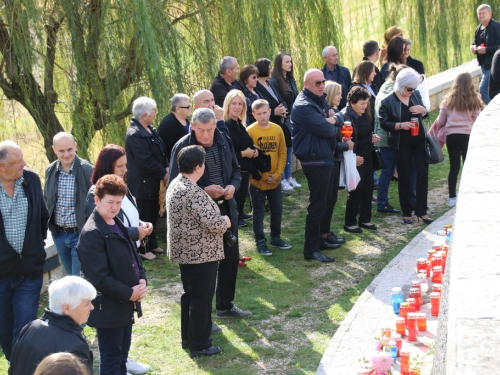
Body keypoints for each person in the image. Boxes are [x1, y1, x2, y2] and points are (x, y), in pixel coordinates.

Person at [169, 108, 251, 324]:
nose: (206, 135)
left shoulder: (224, 140)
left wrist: (233, 186)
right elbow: (175, 185)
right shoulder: (182, 147)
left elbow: (236, 169)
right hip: (197, 215)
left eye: (210, 130)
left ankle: (225, 306)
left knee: (230, 259)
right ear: (192, 126)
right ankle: (201, 319)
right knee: (203, 270)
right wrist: (205, 192)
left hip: (226, 207)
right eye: (201, 130)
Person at [83, 145, 152, 373]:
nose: (114, 207)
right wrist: (129, 292)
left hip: (124, 304)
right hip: (109, 307)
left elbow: (133, 254)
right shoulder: (93, 232)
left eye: (118, 203)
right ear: (96, 199)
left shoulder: (115, 221)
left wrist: (141, 279)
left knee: (121, 356)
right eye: (110, 202)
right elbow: (99, 278)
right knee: (112, 360)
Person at [167, 145, 230, 358]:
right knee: (201, 299)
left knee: (191, 296)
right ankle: (200, 344)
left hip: (186, 253)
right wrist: (226, 221)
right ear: (198, 167)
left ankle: (189, 337)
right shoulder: (191, 191)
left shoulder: (177, 183)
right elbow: (213, 223)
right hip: (200, 254)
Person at [0, 141, 49, 361]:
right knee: (3, 326)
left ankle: (18, 365)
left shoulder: (31, 180)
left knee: (25, 326)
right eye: (18, 161)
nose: (24, 164)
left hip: (29, 271)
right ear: (2, 167)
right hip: (1, 274)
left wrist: (35, 247)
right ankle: (13, 360)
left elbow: (42, 216)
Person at [291, 69, 344, 263]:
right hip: (315, 159)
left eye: (323, 82)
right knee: (317, 204)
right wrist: (331, 121)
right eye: (317, 83)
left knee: (328, 201)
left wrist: (333, 119)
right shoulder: (304, 105)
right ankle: (310, 250)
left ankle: (321, 239)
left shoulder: (318, 99)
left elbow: (338, 116)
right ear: (306, 84)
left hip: (325, 156)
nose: (322, 85)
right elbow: (327, 129)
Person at [9, 276, 96, 375]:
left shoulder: (30, 327)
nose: (92, 307)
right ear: (67, 308)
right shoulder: (74, 346)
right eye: (86, 303)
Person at [379, 68, 433, 225]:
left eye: (414, 88)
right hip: (401, 143)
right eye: (409, 88)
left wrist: (423, 110)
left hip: (419, 141)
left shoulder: (415, 95)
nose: (412, 91)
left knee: (422, 174)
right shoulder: (388, 101)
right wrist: (401, 125)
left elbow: (425, 113)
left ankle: (422, 211)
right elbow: (384, 123)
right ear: (401, 85)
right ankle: (407, 211)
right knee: (405, 176)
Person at [247, 99, 292, 256]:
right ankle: (260, 241)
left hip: (276, 180)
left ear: (270, 112)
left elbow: (282, 152)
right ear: (253, 115)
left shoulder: (277, 129)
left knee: (277, 209)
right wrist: (263, 176)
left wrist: (278, 174)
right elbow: (250, 159)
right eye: (258, 114)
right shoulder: (251, 131)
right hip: (258, 181)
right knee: (258, 211)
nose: (262, 116)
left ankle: (275, 237)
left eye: (265, 112)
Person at [44, 132, 93, 276]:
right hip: (58, 234)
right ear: (54, 150)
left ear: (75, 147)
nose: (66, 154)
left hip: (79, 234)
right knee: (70, 276)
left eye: (69, 149)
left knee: (78, 278)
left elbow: (95, 203)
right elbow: (47, 199)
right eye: (61, 151)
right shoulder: (50, 170)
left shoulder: (87, 169)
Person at [125, 96, 168, 258]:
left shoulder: (150, 129)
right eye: (153, 112)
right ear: (144, 115)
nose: (155, 115)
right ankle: (143, 249)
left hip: (153, 180)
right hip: (142, 182)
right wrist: (163, 173)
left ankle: (152, 243)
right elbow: (145, 160)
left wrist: (166, 166)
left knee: (152, 214)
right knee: (143, 215)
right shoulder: (135, 134)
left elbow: (160, 152)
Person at [435, 73, 484, 207]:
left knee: (454, 167)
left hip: (452, 136)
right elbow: (477, 119)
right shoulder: (473, 100)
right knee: (468, 166)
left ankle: (452, 197)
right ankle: (469, 193)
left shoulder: (448, 101)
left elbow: (440, 121)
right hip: (467, 135)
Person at [342, 87, 380, 233]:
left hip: (367, 154)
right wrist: (353, 157)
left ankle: (365, 219)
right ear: (352, 102)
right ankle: (350, 222)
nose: (365, 106)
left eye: (366, 103)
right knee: (356, 189)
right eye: (362, 103)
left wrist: (372, 137)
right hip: (356, 156)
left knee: (368, 188)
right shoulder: (347, 116)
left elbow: (364, 132)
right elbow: (347, 139)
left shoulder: (363, 114)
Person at [374, 64, 407, 214]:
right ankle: (382, 203)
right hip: (386, 136)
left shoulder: (386, 86)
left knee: (387, 171)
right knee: (387, 171)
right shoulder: (389, 91)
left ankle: (382, 202)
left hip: (385, 135)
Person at [323, 81, 351, 245]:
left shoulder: (336, 113)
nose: (341, 96)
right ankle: (323, 233)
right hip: (329, 158)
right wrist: (345, 144)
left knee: (332, 198)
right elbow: (330, 140)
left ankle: (326, 231)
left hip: (335, 159)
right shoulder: (327, 114)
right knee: (327, 199)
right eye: (339, 93)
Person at [223, 89, 256, 227]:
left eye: (240, 104)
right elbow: (225, 153)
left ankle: (240, 213)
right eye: (234, 103)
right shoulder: (225, 126)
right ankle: (236, 217)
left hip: (245, 169)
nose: (237, 107)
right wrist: (244, 153)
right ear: (228, 105)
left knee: (242, 195)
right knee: (236, 196)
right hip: (234, 170)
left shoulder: (240, 124)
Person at [270, 52, 300, 191]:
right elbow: (278, 99)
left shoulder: (290, 79)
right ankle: (282, 178)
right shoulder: (275, 81)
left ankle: (289, 177)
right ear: (279, 64)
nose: (290, 64)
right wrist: (286, 111)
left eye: (290, 61)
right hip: (282, 118)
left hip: (291, 118)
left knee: (289, 148)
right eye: (287, 62)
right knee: (283, 148)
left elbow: (296, 97)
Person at [471, 4, 500, 104]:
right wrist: (473, 47)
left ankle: (486, 111)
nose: (481, 15)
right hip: (484, 64)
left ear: (490, 13)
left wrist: (486, 50)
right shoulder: (479, 28)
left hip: (494, 64)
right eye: (479, 13)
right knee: (489, 89)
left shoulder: (496, 26)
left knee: (483, 89)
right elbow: (475, 41)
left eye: (484, 13)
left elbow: (499, 45)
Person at [254, 57, 288, 127]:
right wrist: (273, 112)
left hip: (281, 124)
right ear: (263, 69)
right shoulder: (256, 88)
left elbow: (281, 100)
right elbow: (258, 108)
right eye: (269, 68)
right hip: (268, 125)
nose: (271, 70)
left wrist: (283, 109)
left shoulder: (272, 84)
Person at [158, 93, 192, 159]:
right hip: (174, 163)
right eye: (187, 107)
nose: (190, 109)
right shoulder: (169, 124)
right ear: (178, 109)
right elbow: (161, 149)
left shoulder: (185, 120)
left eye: (190, 106)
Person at [321, 45, 352, 110]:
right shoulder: (321, 74)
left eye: (337, 55)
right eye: (333, 55)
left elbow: (350, 89)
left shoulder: (345, 71)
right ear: (325, 58)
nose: (336, 57)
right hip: (327, 109)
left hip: (344, 107)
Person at [351, 60, 378, 129]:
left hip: (376, 123)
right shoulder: (356, 88)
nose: (375, 73)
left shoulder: (374, 87)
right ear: (365, 73)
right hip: (365, 125)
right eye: (372, 71)